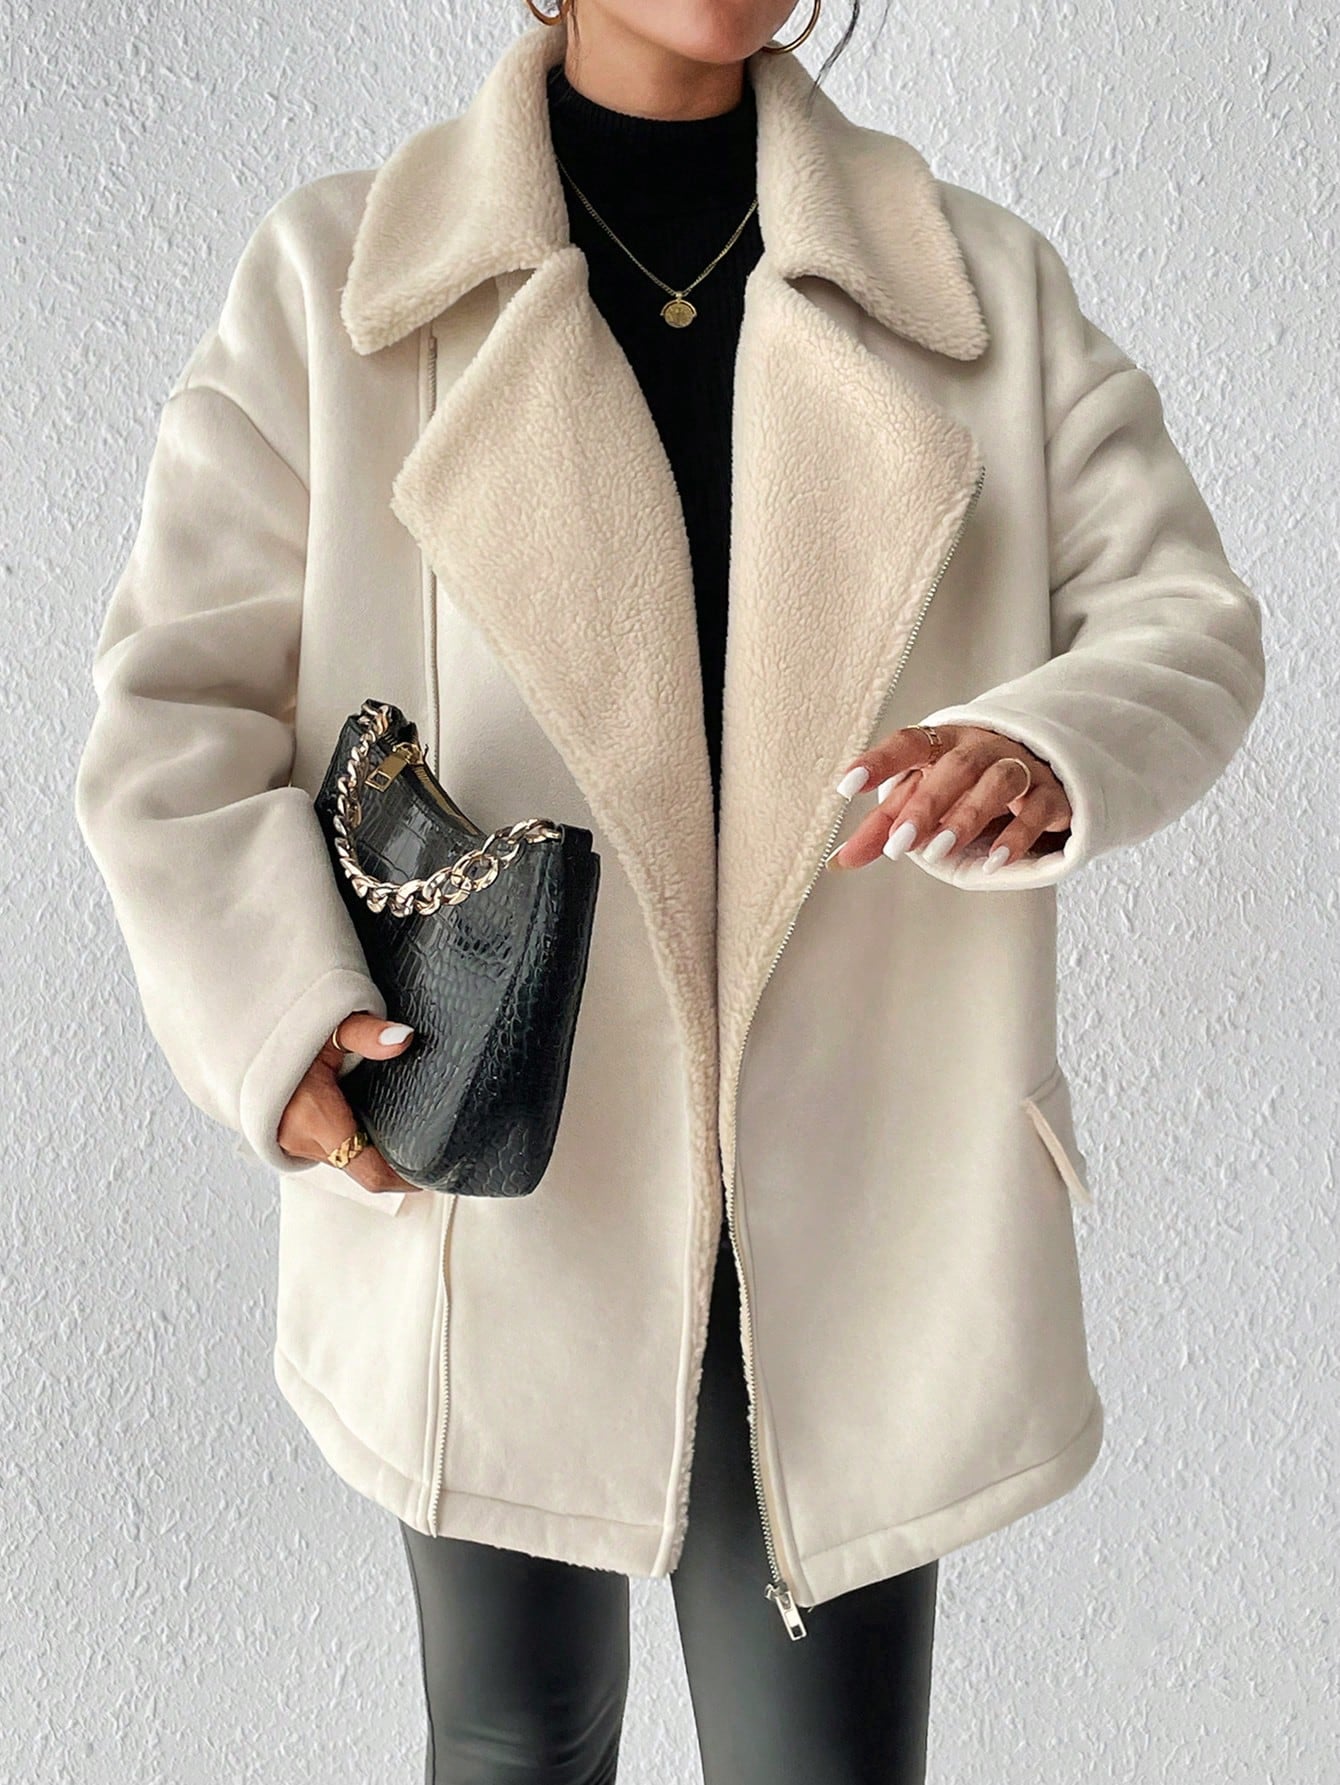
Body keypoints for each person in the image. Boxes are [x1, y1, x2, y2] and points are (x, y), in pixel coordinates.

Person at [73, 2, 1266, 1780]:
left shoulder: (973, 290)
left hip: (857, 1184)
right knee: (516, 1740)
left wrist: (1045, 742)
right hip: (495, 1160)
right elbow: (174, 714)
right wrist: (277, 1013)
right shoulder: (344, 284)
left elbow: (1187, 621)